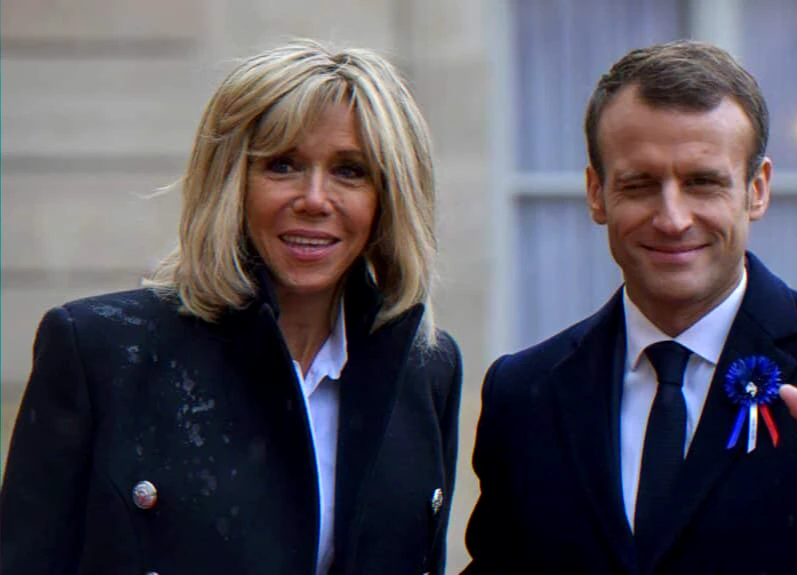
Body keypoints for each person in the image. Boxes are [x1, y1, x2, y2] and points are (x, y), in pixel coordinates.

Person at [463, 40, 797, 574]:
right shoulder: (525, 393)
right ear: (596, 193)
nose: (672, 218)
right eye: (640, 185)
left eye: (703, 183)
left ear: (757, 190)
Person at [0, 40, 462, 575]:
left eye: (350, 171)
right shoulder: (98, 350)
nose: (314, 199)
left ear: (390, 197)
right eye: (283, 165)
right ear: (230, 183)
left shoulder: (427, 369)